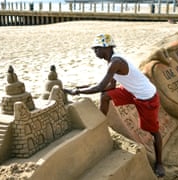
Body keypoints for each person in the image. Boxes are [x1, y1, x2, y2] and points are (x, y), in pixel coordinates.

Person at [63, 34, 165, 177]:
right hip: (131, 91)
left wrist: (76, 91)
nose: (95, 52)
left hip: (146, 97)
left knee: (153, 131)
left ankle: (159, 162)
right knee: (105, 96)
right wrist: (78, 87)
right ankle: (101, 122)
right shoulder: (112, 60)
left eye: (96, 49)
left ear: (105, 48)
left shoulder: (115, 62)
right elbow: (109, 86)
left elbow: (100, 86)